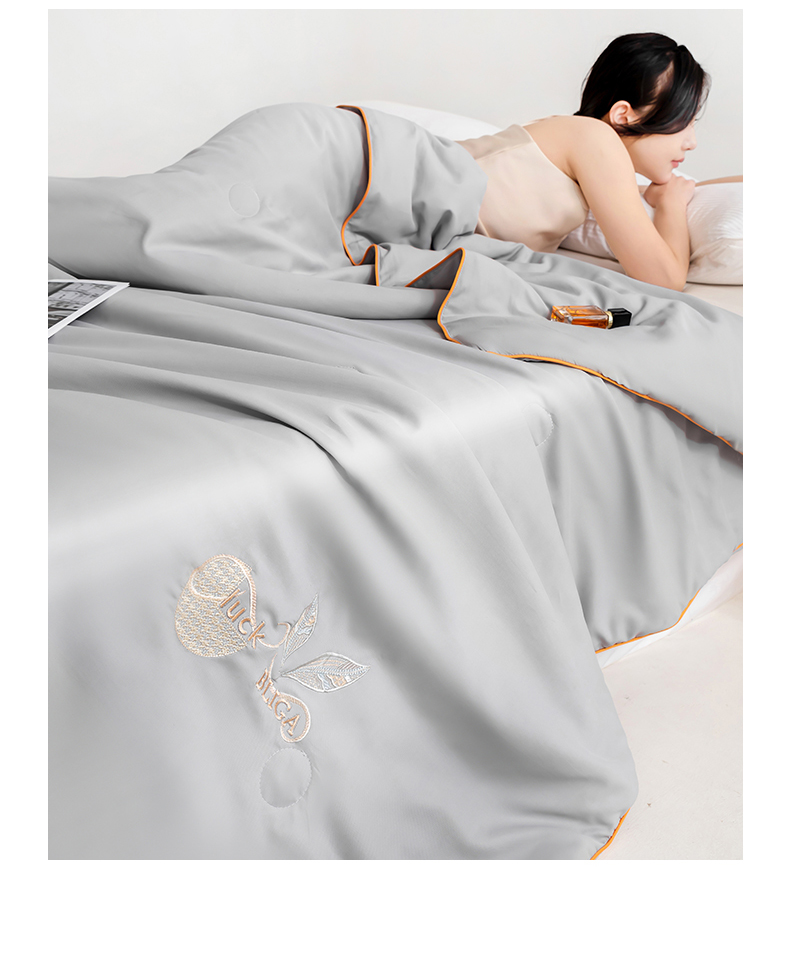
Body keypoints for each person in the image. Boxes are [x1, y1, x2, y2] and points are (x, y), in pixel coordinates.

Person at [456, 33, 742, 292]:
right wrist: (671, 206)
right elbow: (665, 279)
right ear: (623, 115)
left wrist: (675, 194)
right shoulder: (595, 138)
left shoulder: (580, 147)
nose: (691, 142)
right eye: (682, 122)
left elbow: (693, 188)